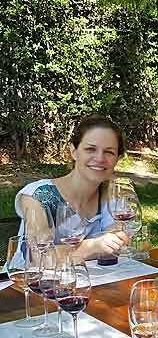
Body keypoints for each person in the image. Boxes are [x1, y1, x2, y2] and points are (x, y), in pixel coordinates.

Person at [11, 114, 130, 266]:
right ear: (74, 151)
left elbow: (120, 246)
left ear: (118, 159)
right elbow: (39, 257)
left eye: (109, 152)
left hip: (89, 283)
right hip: (26, 286)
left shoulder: (112, 195)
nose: (100, 158)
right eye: (90, 149)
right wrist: (93, 246)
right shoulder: (38, 196)